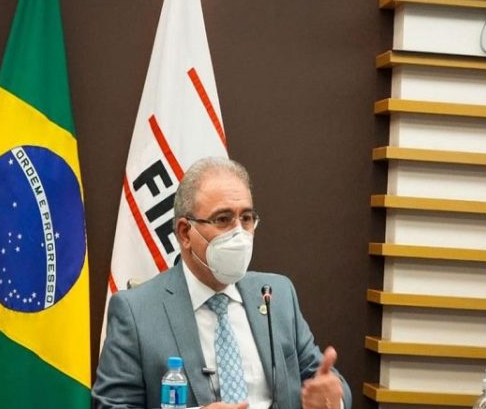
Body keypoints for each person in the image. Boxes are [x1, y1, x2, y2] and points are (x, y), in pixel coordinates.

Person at [94, 157, 352, 409]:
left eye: (247, 218)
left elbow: (321, 378)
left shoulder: (278, 295)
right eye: (223, 219)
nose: (239, 233)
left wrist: (333, 400)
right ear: (185, 233)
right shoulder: (136, 312)